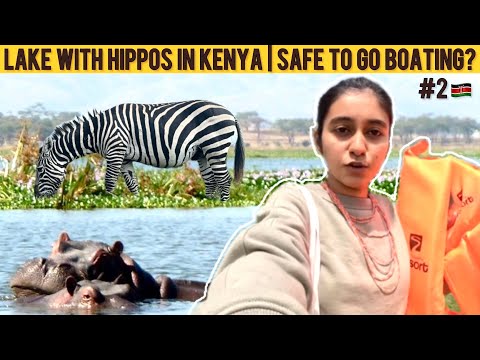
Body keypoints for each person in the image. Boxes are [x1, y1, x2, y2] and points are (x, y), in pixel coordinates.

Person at [190, 76, 411, 315]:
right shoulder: (297, 205)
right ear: (318, 140)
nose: (358, 146)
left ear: (388, 144)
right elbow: (263, 271)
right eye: (343, 130)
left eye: (374, 132)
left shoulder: (392, 210)